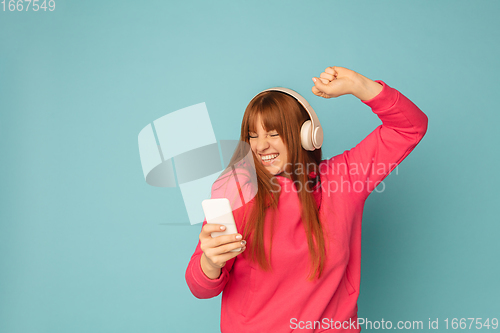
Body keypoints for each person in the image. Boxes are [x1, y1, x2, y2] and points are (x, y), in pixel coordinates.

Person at [185, 66, 429, 332]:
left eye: (273, 133)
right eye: (253, 136)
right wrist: (210, 264)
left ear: (306, 135)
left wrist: (360, 86)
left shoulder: (343, 179)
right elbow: (201, 288)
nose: (260, 146)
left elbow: (410, 128)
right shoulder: (239, 191)